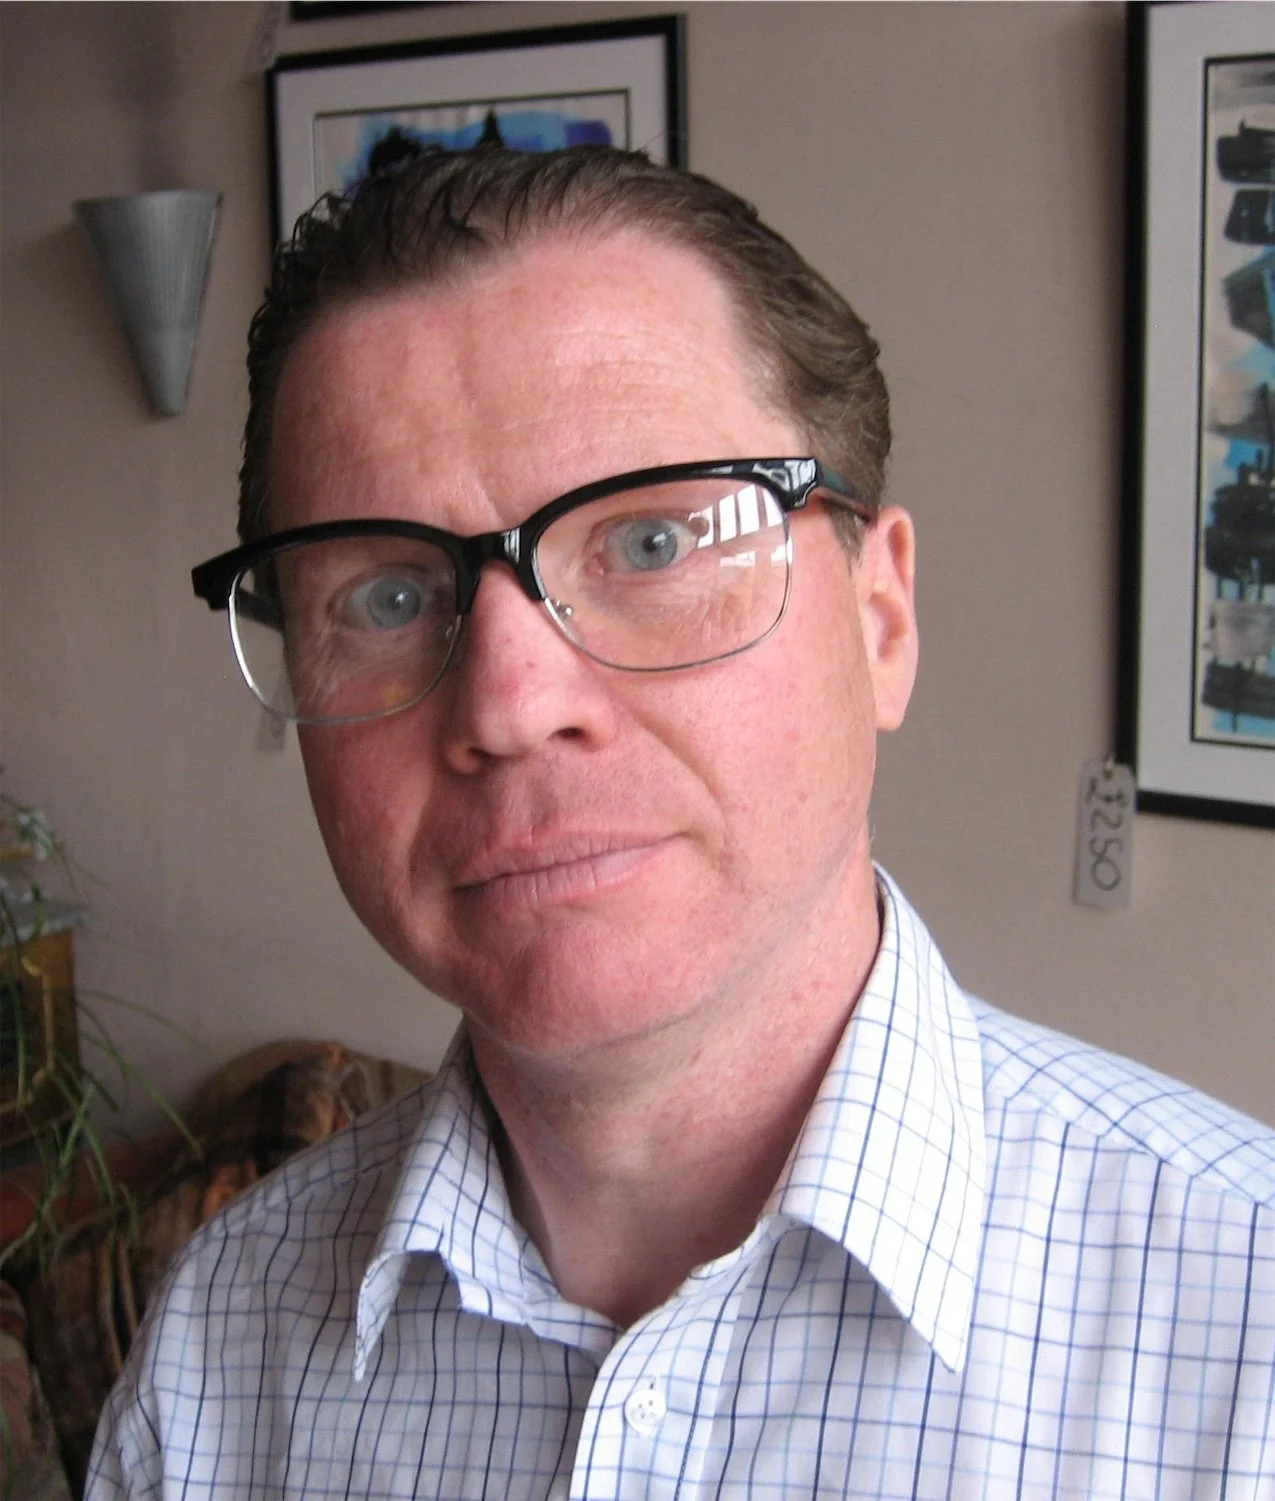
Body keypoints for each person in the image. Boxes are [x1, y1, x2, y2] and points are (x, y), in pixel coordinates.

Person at [88, 146, 1274, 1500]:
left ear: (879, 623)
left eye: (651, 544)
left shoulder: (1249, 1350)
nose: (511, 702)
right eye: (387, 597)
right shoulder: (214, 1352)